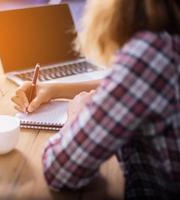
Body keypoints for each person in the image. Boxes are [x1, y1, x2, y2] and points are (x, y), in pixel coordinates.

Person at [11, 0, 180, 199]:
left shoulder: (148, 55)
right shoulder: (166, 46)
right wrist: (55, 88)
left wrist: (75, 115)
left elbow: (60, 170)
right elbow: (135, 85)